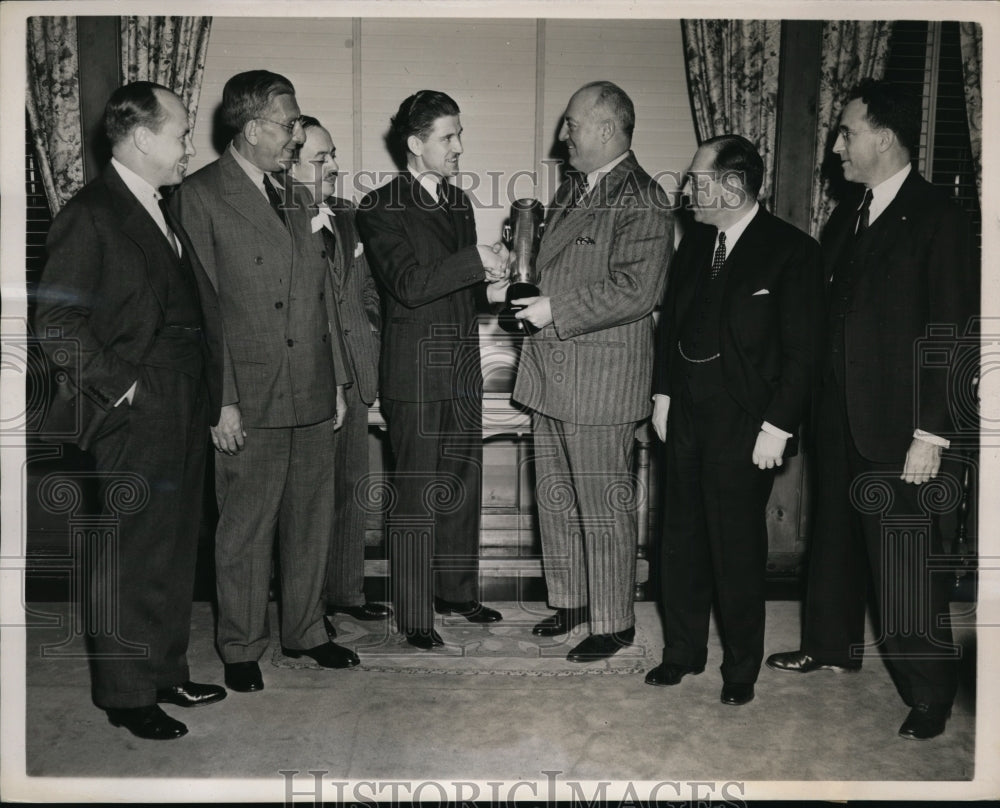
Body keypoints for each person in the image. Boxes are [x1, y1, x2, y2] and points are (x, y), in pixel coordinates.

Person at [766, 79, 977, 740]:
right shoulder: (850, 214)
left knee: (905, 561)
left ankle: (930, 693)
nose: (835, 147)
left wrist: (933, 433)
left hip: (902, 427)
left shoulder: (938, 215)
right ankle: (830, 645)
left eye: (846, 133)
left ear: (883, 138)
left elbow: (954, 328)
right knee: (833, 542)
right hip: (840, 417)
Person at [35, 81, 226, 739]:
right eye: (180, 133)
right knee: (127, 555)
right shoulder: (90, 212)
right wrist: (125, 390)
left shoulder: (155, 206)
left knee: (172, 550)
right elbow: (57, 322)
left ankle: (165, 671)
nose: (188, 147)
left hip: (180, 405)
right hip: (132, 412)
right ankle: (124, 694)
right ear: (143, 137)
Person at [173, 70, 359, 693]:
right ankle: (241, 645)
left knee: (312, 520)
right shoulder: (198, 195)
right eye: (289, 124)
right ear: (252, 129)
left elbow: (320, 299)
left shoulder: (298, 196)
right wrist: (221, 400)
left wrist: (334, 381)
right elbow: (201, 311)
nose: (296, 136)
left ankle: (306, 631)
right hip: (247, 395)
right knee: (246, 527)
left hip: (309, 386)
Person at [643, 135, 824, 705]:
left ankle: (740, 667)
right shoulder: (696, 242)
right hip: (688, 414)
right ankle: (682, 652)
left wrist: (779, 425)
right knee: (680, 538)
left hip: (746, 423)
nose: (686, 189)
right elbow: (672, 324)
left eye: (697, 179)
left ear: (734, 186)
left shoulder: (791, 250)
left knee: (735, 546)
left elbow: (804, 352)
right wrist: (664, 395)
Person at [512, 81, 672, 663]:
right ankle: (573, 602)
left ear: (606, 130)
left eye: (572, 125)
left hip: (601, 383)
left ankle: (613, 620)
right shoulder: (576, 190)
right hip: (553, 374)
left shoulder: (644, 198)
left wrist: (552, 309)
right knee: (557, 502)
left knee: (602, 505)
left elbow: (637, 289)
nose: (563, 136)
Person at [355, 90, 510, 649]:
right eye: (448, 136)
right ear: (415, 144)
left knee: (461, 487)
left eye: (460, 134)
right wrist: (475, 260)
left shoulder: (458, 202)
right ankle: (415, 613)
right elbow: (411, 286)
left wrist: (494, 287)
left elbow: (459, 292)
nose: (459, 147)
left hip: (462, 366)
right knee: (417, 493)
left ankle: (457, 591)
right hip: (414, 373)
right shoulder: (378, 206)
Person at [287, 116, 392, 624]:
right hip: (308, 378)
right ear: (289, 162)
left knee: (351, 489)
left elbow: (369, 290)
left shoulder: (349, 215)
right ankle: (306, 604)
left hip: (356, 373)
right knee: (310, 500)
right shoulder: (277, 218)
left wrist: (366, 329)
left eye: (332, 156)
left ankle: (346, 593)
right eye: (321, 158)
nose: (333, 167)